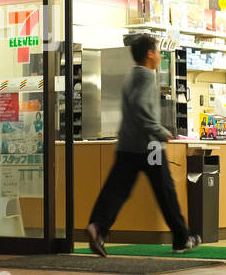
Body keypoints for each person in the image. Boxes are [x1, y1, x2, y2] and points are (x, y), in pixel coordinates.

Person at [85, 34, 199, 256]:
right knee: (166, 193)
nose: (158, 56)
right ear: (149, 54)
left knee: (116, 191)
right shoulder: (147, 76)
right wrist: (160, 131)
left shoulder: (130, 76)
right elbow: (140, 107)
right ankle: (181, 239)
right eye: (157, 52)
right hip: (150, 147)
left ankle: (97, 226)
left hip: (127, 145)